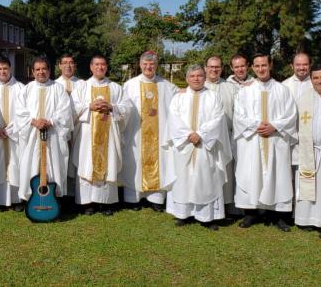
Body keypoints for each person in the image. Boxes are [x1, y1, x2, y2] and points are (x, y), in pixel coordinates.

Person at [233, 53, 297, 231]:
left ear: (270, 65)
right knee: (251, 174)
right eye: (257, 66)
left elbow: (291, 115)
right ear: (252, 67)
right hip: (252, 141)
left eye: (264, 65)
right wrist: (256, 125)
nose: (261, 69)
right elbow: (239, 115)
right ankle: (250, 214)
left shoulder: (282, 90)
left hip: (276, 140)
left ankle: (279, 216)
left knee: (277, 176)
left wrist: (275, 126)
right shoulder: (245, 90)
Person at [163, 65, 231, 230]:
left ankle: (207, 216)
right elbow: (173, 118)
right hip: (184, 146)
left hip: (205, 145)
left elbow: (218, 118)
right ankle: (182, 214)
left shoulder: (213, 96)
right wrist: (188, 134)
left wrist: (200, 134)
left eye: (199, 75)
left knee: (206, 178)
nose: (196, 78)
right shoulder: (178, 98)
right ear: (187, 79)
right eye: (192, 76)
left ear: (204, 77)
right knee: (183, 179)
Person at [72, 55, 132, 216]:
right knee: (87, 164)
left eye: (103, 65)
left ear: (106, 67)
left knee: (108, 163)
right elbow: (72, 108)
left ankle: (105, 203)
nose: (100, 67)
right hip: (87, 134)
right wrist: (88, 106)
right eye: (97, 64)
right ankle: (87, 203)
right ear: (91, 67)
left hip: (109, 134)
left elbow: (127, 108)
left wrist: (112, 108)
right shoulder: (82, 86)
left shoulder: (115, 88)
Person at [121, 51, 177, 211]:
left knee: (160, 161)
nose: (148, 67)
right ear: (140, 65)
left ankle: (156, 199)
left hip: (159, 135)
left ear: (156, 65)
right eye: (145, 64)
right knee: (134, 163)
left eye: (152, 64)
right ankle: (133, 199)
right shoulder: (129, 85)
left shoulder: (167, 86)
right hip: (136, 133)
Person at [16, 57, 73, 204]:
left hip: (53, 134)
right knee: (30, 163)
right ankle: (30, 197)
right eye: (38, 69)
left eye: (44, 69)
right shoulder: (26, 89)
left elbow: (65, 110)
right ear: (33, 72)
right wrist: (34, 122)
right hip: (32, 135)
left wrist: (51, 122)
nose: (41, 72)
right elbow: (19, 111)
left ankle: (55, 196)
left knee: (54, 163)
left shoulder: (58, 88)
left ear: (49, 70)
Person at [293, 63, 321, 232]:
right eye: (316, 78)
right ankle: (305, 219)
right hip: (309, 150)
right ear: (311, 79)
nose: (320, 81)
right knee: (308, 186)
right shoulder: (304, 98)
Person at [0, 56, 25, 210]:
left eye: (5, 68)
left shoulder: (21, 88)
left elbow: (24, 113)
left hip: (14, 135)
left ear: (10, 69)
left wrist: (10, 129)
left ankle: (15, 199)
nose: (2, 71)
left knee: (16, 164)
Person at [204, 55, 240, 216]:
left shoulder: (230, 87)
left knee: (226, 171)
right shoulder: (199, 85)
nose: (214, 70)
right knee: (207, 172)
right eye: (211, 67)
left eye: (217, 67)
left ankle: (227, 205)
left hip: (226, 136)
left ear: (222, 69)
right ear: (206, 68)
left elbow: (239, 111)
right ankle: (207, 204)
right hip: (204, 139)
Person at [54, 53, 82, 200]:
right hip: (61, 129)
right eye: (64, 63)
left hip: (79, 128)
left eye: (71, 62)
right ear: (59, 65)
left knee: (77, 160)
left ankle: (77, 193)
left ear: (75, 65)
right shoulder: (54, 85)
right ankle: (63, 193)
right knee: (63, 159)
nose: (68, 66)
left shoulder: (83, 84)